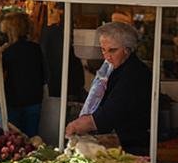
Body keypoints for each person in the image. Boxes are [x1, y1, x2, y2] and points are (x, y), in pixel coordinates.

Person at [64, 21, 152, 153]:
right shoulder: (115, 67)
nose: (106, 56)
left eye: (112, 50)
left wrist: (80, 124)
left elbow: (112, 110)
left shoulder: (134, 74)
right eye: (103, 50)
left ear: (127, 49)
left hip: (133, 145)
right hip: (121, 140)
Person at [0, 13, 46, 138]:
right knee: (33, 138)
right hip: (34, 98)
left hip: (14, 99)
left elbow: (0, 74)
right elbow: (43, 73)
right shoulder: (36, 48)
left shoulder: (8, 51)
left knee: (15, 138)